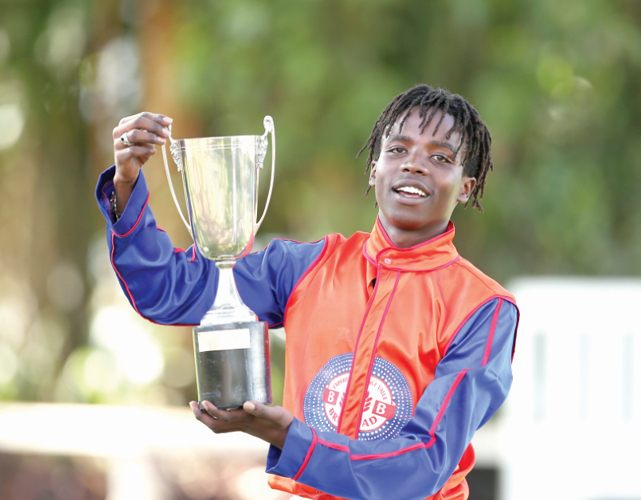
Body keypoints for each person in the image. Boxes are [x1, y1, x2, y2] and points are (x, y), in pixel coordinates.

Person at [96, 85, 519, 500]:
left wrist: (289, 439)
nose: (414, 165)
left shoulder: (484, 308)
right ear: (373, 169)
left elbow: (423, 464)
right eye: (397, 149)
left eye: (440, 157)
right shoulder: (305, 267)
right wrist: (127, 183)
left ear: (466, 186)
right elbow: (168, 290)